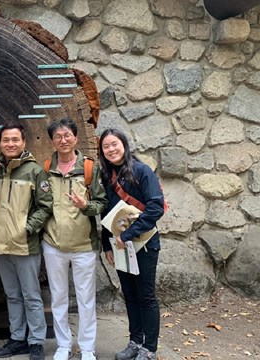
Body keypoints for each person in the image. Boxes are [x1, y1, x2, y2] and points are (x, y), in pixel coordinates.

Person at [41, 119, 107, 360]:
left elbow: (102, 203)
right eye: (58, 136)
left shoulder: (89, 168)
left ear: (76, 138)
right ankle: (63, 345)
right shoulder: (46, 168)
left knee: (86, 298)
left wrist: (85, 205)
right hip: (53, 244)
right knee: (58, 297)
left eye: (67, 135)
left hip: (83, 246)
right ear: (52, 141)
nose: (63, 140)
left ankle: (87, 347)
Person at [0, 124, 52, 360]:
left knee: (31, 295)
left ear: (24, 142)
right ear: (0, 143)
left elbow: (45, 206)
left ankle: (35, 342)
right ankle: (17, 338)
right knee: (12, 295)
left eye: (15, 139)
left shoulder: (35, 171)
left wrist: (28, 229)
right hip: (0, 244)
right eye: (6, 140)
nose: (10, 144)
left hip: (25, 245)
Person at [98, 128, 165, 360]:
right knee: (130, 294)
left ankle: (150, 349)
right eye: (106, 146)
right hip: (119, 246)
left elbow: (156, 207)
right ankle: (135, 342)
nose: (111, 149)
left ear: (124, 144)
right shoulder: (107, 176)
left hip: (144, 244)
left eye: (114, 144)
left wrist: (128, 235)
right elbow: (107, 213)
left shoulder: (142, 171)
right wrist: (106, 245)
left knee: (146, 296)